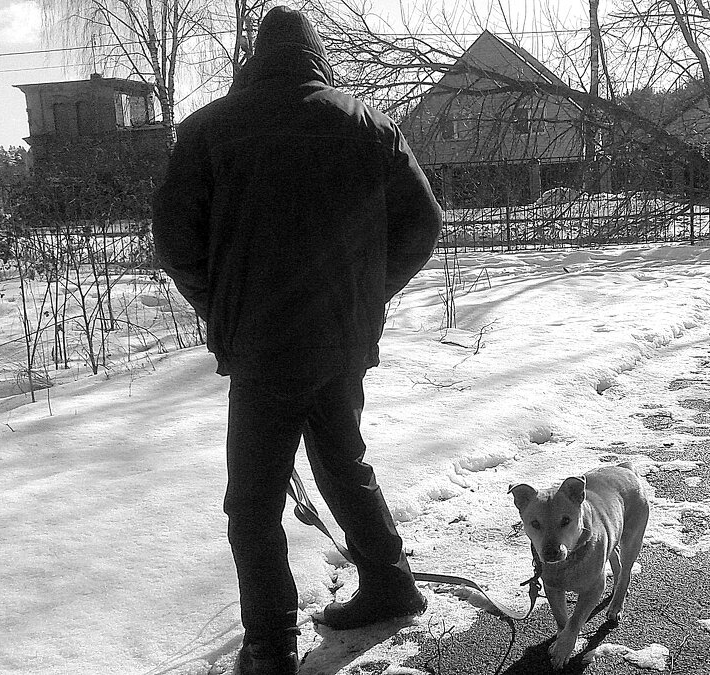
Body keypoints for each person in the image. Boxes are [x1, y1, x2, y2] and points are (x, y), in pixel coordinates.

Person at [151, 6, 442, 675]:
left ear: (256, 58)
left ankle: (270, 645)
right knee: (344, 464)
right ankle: (390, 582)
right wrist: (366, 295)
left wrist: (222, 304)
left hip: (262, 347)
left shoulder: (208, 130)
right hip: (339, 343)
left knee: (252, 501)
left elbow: (175, 244)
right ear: (317, 58)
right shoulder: (368, 126)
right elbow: (424, 224)